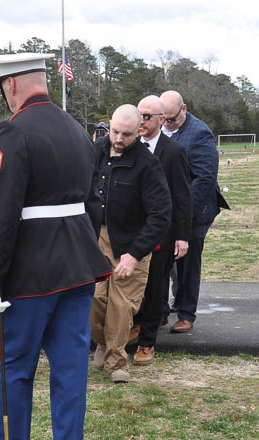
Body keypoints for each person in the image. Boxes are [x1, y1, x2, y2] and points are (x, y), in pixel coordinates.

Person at [0, 52, 110, 440]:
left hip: (28, 275)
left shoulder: (14, 132)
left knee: (12, 369)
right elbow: (93, 204)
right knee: (70, 373)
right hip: (77, 271)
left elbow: (2, 212)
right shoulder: (77, 130)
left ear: (10, 85)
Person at [90, 104, 170, 382]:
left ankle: (116, 362)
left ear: (139, 132)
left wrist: (135, 254)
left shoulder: (148, 164)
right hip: (97, 237)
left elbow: (161, 215)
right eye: (115, 131)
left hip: (132, 243)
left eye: (126, 134)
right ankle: (102, 342)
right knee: (95, 299)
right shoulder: (95, 152)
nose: (118, 139)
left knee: (121, 306)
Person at [159, 90, 229, 334]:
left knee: (187, 262)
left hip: (196, 209)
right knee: (162, 260)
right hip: (165, 209)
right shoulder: (158, 129)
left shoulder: (199, 133)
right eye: (162, 119)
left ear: (184, 109)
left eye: (171, 119)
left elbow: (204, 179)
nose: (166, 123)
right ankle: (160, 310)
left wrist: (182, 215)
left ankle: (186, 313)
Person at [130, 95, 192, 364]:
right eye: (138, 115)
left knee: (156, 285)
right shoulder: (129, 147)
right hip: (132, 231)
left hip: (162, 233)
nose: (141, 121)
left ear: (161, 120)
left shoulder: (174, 152)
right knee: (131, 283)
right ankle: (134, 325)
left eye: (146, 117)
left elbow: (182, 197)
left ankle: (147, 341)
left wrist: (182, 236)